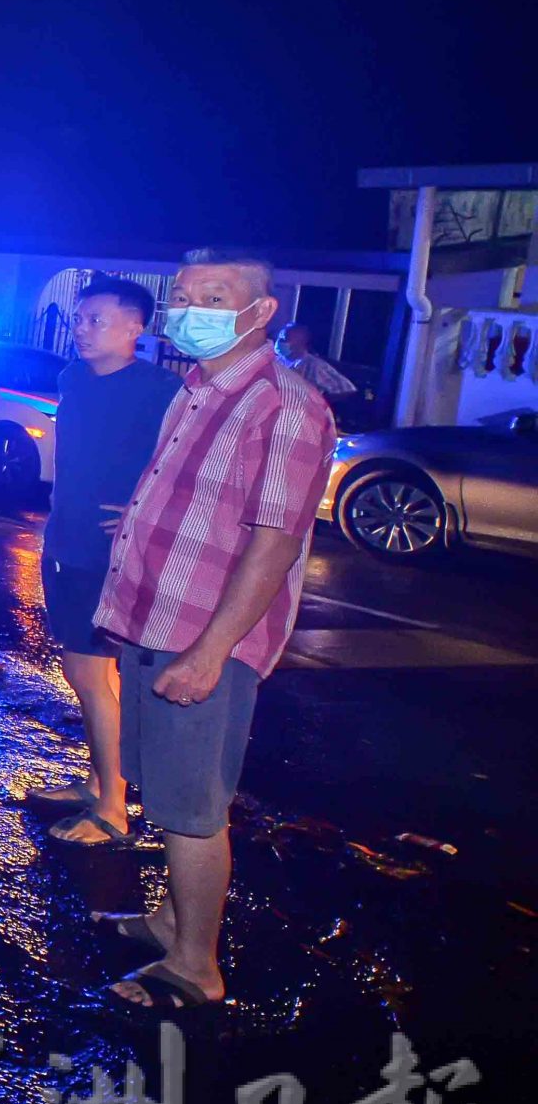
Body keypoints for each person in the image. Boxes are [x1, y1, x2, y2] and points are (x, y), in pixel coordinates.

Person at [95, 249, 335, 1011]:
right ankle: (172, 922)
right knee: (165, 792)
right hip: (153, 619)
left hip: (202, 637)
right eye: (184, 295)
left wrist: (209, 652)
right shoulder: (198, 389)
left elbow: (275, 542)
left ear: (260, 312)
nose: (190, 308)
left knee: (194, 809)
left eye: (215, 296)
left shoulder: (285, 405)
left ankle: (195, 966)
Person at [32, 278, 180, 847]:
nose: (83, 329)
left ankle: (113, 810)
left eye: (97, 319)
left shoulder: (160, 388)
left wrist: (144, 511)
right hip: (63, 541)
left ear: (135, 328)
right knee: (90, 673)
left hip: (107, 553)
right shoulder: (72, 378)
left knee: (90, 674)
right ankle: (99, 781)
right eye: (79, 318)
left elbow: (188, 462)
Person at [275, 323, 358, 399]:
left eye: (284, 339)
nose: (279, 342)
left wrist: (320, 405)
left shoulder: (315, 366)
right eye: (279, 338)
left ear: (300, 343)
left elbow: (347, 389)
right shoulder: (276, 361)